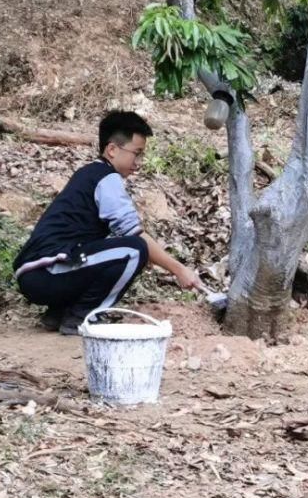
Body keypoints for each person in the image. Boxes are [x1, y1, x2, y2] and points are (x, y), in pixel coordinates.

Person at [13, 110, 200, 335]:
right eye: (136, 153)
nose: (139, 163)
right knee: (135, 250)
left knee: (116, 248)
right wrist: (179, 270)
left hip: (36, 274)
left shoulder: (89, 174)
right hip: (48, 272)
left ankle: (59, 313)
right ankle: (83, 318)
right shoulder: (106, 178)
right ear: (112, 149)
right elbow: (135, 236)